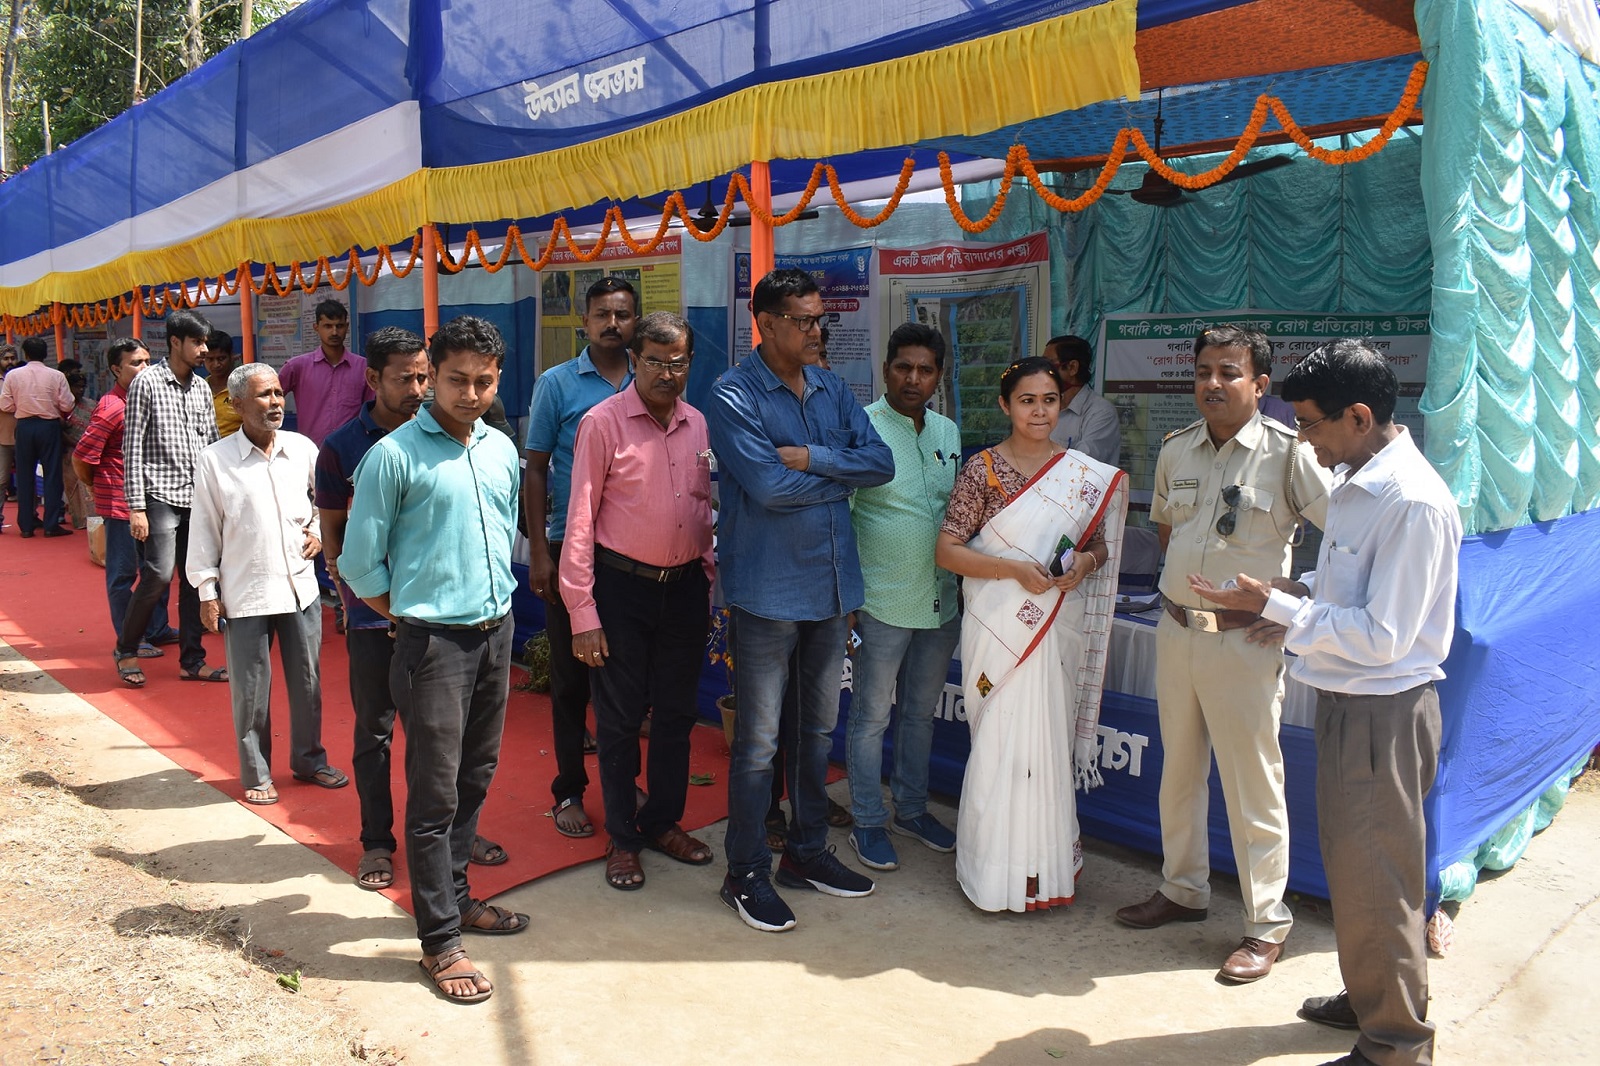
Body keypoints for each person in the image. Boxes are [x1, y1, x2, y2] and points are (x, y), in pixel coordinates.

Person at [1191, 338, 1462, 1066]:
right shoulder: (1358, 479)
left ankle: (1395, 1044)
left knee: (1379, 880)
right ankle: (1375, 995)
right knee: (1358, 869)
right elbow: (1346, 593)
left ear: (1360, 416)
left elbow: (1383, 636)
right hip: (1352, 703)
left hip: (1383, 710)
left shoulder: (1411, 502)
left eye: (1310, 423)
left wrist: (1281, 612)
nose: (1303, 438)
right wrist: (1282, 594)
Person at [1114, 325, 1331, 982]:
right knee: (1178, 772)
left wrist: (1295, 599)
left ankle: (1266, 924)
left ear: (1260, 385)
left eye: (1229, 372)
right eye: (1204, 371)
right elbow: (1167, 532)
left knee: (1251, 783)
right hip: (1178, 631)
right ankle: (1183, 890)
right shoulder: (1176, 449)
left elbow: (1346, 539)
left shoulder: (1289, 455)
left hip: (1243, 643)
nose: (1213, 383)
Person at [339, 315, 528, 1005]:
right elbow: (360, 563)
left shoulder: (500, 448)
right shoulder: (393, 457)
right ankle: (440, 941)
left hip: (496, 634)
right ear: (432, 378)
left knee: (475, 777)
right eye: (456, 380)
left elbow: (505, 529)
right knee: (434, 794)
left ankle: (456, 897)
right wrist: (413, 615)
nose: (470, 394)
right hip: (433, 644)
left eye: (484, 381)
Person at [707, 267, 894, 933]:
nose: (819, 331)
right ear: (766, 324)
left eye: (822, 319)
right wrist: (839, 476)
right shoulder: (733, 393)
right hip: (767, 591)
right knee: (759, 743)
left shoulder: (832, 387)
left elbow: (880, 464)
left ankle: (807, 853)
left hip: (831, 587)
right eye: (806, 321)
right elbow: (766, 488)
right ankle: (744, 871)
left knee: (816, 733)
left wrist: (812, 458)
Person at [316, 326, 509, 889]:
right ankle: (378, 841)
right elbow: (339, 539)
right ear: (374, 379)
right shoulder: (354, 448)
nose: (419, 389)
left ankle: (455, 842)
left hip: (451, 621)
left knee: (451, 751)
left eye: (424, 377)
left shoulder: (488, 445)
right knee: (376, 732)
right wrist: (385, 609)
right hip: (380, 616)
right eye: (408, 379)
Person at [934, 356, 1124, 912]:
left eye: (1049, 400)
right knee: (999, 744)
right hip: (1001, 628)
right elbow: (947, 551)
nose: (1039, 411)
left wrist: (1085, 563)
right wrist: (1013, 570)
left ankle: (1046, 871)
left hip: (1055, 628)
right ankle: (991, 874)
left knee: (1047, 745)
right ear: (1005, 405)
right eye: (1026, 400)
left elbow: (1099, 544)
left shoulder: (1080, 475)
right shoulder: (983, 471)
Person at [560, 311, 716, 890]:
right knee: (621, 721)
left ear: (690, 364)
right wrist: (583, 613)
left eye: (678, 363)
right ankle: (623, 839)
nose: (666, 374)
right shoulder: (602, 423)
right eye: (654, 362)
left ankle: (662, 822)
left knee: (676, 715)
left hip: (685, 591)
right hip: (622, 589)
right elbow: (580, 520)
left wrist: (706, 576)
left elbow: (700, 506)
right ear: (635, 361)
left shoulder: (698, 423)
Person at [187, 364, 346, 804]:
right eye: (264, 395)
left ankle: (310, 760)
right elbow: (204, 529)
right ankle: (257, 773)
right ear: (236, 404)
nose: (276, 402)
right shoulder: (215, 460)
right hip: (247, 591)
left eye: (278, 393)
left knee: (308, 682)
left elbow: (327, 500)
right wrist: (207, 591)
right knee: (251, 691)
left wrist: (318, 530)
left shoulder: (302, 448)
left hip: (300, 588)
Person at [843, 322, 962, 872]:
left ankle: (911, 810)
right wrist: (846, 600)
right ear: (886, 369)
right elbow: (840, 517)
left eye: (925, 370)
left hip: (941, 601)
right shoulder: (860, 427)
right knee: (871, 717)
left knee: (919, 715)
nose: (913, 379)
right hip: (880, 601)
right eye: (903, 367)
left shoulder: (947, 432)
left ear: (939, 376)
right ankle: (867, 820)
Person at [525, 276, 638, 839]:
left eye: (622, 314)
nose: (612, 324)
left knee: (626, 681)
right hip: (570, 548)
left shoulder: (651, 376)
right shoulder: (557, 384)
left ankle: (624, 783)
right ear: (585, 321)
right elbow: (536, 468)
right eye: (602, 314)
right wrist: (539, 553)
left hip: (632, 552)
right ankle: (568, 788)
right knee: (571, 681)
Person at [115, 310, 222, 687]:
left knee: (195, 580)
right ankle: (126, 649)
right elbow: (132, 448)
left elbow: (212, 445)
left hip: (197, 498)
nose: (204, 349)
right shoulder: (146, 383)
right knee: (158, 574)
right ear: (175, 342)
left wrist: (220, 499)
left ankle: (192, 661)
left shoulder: (202, 388)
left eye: (205, 342)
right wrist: (136, 507)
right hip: (158, 495)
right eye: (197, 342)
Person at [72, 338, 174, 661]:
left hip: (152, 499)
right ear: (116, 369)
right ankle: (131, 638)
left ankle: (157, 628)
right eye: (135, 363)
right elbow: (82, 457)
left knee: (156, 570)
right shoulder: (112, 408)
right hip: (121, 505)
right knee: (124, 574)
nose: (145, 368)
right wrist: (97, 488)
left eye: (147, 361)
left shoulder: (148, 399)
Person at [0, 336, 75, 537]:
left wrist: (22, 405)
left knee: (24, 476)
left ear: (25, 354)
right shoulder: (56, 376)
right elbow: (68, 404)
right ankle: (51, 524)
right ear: (45, 354)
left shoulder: (13, 376)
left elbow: (5, 405)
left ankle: (26, 526)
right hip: (49, 426)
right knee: (52, 475)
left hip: (24, 426)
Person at [277, 300, 370, 449]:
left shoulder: (363, 368)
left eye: (339, 326)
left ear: (346, 327)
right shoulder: (296, 367)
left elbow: (372, 411)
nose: (334, 332)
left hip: (351, 451)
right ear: (316, 327)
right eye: (327, 326)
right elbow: (269, 399)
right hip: (310, 451)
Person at [1043, 334, 1121, 465]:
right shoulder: (1045, 409)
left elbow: (1080, 464)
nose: (1043, 372)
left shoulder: (1101, 412)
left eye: (1049, 365)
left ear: (1072, 367)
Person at [203, 330, 242, 438]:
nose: (216, 364)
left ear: (232, 356)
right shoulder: (199, 388)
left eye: (221, 358)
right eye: (210, 359)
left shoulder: (243, 388)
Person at [0, 344, 16, 532]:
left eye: (12, 358)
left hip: (22, 435)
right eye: (6, 359)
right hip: (2, 437)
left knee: (28, 479)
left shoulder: (19, 377)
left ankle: (32, 516)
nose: (10, 362)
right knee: (2, 480)